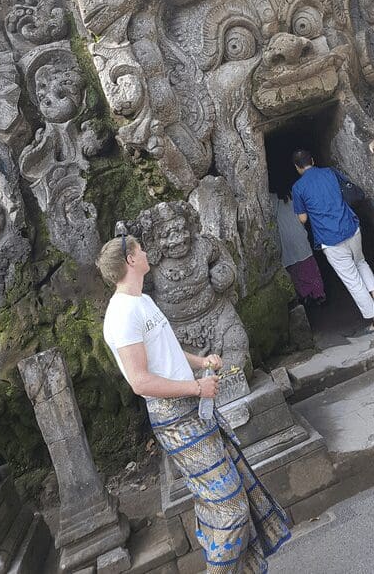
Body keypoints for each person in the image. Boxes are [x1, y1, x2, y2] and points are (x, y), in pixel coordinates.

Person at [97, 232, 290, 573]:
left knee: (230, 496)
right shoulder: (121, 314)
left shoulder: (142, 300)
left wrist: (200, 363)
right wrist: (196, 389)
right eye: (141, 250)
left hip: (193, 410)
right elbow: (140, 382)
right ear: (130, 260)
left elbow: (166, 348)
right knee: (229, 508)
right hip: (175, 420)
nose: (147, 254)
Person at [291, 149, 374, 333]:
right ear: (312, 159)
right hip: (351, 227)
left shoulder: (298, 188)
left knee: (352, 280)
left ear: (297, 167)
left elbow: (303, 219)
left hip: (330, 239)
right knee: (361, 262)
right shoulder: (329, 172)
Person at [271, 184, 326, 308]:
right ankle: (318, 294)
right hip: (299, 236)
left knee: (294, 271)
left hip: (284, 239)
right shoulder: (292, 195)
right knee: (309, 267)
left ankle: (304, 295)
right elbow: (303, 217)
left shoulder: (270, 200)